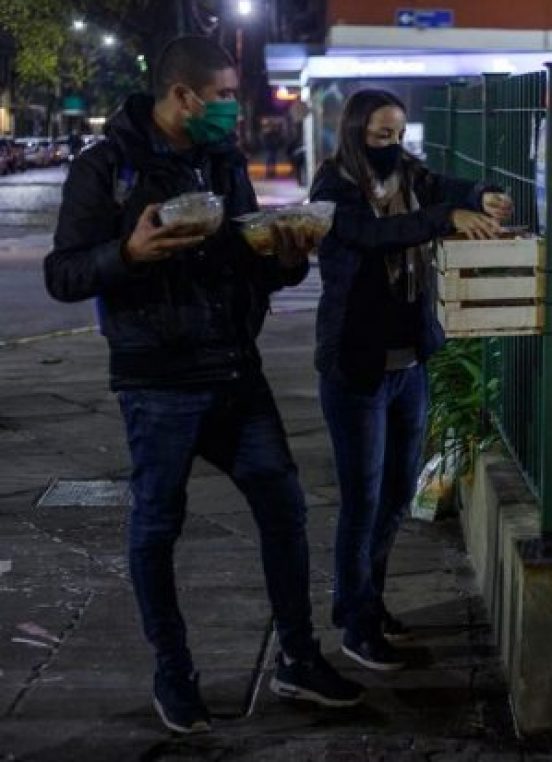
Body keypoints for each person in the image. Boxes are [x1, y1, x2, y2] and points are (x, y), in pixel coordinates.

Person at [43, 35, 364, 734]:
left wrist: (287, 257)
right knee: (156, 527)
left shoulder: (222, 160)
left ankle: (298, 657)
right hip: (157, 382)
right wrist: (127, 253)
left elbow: (244, 264)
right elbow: (62, 274)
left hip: (235, 372)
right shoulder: (108, 169)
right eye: (221, 96)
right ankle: (174, 673)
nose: (231, 110)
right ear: (183, 96)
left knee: (285, 508)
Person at [309, 89, 512, 670]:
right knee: (362, 499)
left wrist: (482, 198)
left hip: (409, 365)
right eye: (380, 137)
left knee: (398, 494)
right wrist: (444, 217)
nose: (392, 147)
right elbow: (373, 237)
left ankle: (363, 603)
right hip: (358, 367)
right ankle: (357, 618)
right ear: (355, 134)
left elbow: (451, 187)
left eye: (399, 135)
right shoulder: (334, 189)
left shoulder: (411, 176)